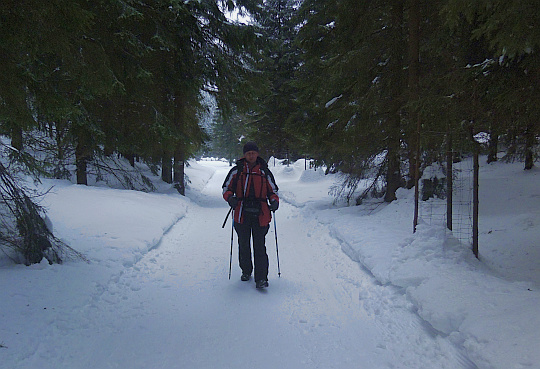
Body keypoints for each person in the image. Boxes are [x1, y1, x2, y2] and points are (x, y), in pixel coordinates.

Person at [222, 142, 279, 289]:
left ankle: (261, 278)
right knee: (244, 244)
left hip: (261, 214)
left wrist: (274, 201)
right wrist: (230, 198)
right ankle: (246, 271)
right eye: (248, 153)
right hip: (241, 213)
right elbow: (226, 188)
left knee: (259, 246)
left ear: (257, 154)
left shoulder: (265, 172)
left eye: (253, 153)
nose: (251, 155)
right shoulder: (237, 171)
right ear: (244, 155)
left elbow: (273, 190)